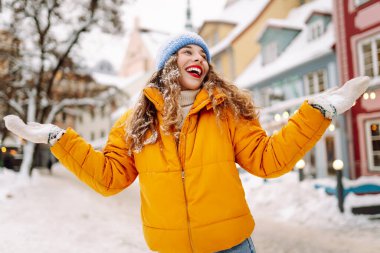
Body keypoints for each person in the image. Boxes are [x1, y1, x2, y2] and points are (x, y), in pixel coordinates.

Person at [3, 32, 370, 253]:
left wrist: (319, 109)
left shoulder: (227, 111)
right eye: (188, 53)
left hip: (231, 247)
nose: (200, 59)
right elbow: (109, 178)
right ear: (167, 65)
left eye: (204, 56)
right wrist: (58, 139)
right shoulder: (134, 123)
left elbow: (269, 160)